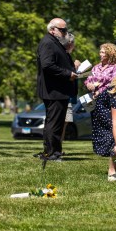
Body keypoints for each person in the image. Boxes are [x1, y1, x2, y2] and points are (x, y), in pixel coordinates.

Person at [36, 18, 77, 161]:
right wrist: (68, 74)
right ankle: (53, 153)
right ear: (52, 30)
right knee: (55, 123)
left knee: (53, 122)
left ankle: (49, 152)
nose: (65, 33)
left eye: (66, 30)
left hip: (57, 90)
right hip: (54, 90)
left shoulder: (54, 43)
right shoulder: (48, 43)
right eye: (62, 30)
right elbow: (47, 65)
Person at [61, 32, 80, 145]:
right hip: (64, 95)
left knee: (65, 122)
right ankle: (56, 147)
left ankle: (58, 146)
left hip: (69, 95)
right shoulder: (63, 55)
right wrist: (75, 66)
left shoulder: (67, 55)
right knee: (62, 121)